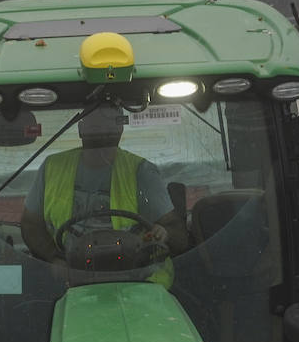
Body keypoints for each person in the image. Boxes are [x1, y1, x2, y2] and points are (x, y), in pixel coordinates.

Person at [19, 104, 185, 265]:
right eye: (95, 127)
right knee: (16, 281)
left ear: (120, 129)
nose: (101, 134)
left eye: (108, 127)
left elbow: (178, 233)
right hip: (71, 274)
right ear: (81, 129)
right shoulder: (52, 168)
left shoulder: (142, 172)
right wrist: (55, 259)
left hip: (137, 277)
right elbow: (31, 224)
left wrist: (165, 233)